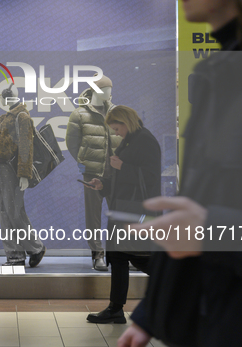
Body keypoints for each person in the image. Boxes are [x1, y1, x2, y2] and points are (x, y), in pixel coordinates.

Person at [118, 0, 242, 346]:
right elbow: (197, 208)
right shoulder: (218, 76)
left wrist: (211, 229)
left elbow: (205, 226)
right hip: (219, 320)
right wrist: (150, 317)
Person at [84, 106, 161, 324]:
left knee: (142, 257)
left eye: (117, 129)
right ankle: (115, 309)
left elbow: (151, 178)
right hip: (124, 208)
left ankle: (179, 292)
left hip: (138, 211)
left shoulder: (145, 140)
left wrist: (122, 166)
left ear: (126, 122)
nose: (116, 133)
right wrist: (103, 184)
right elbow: (122, 178)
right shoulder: (130, 141)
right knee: (118, 257)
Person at [0, 84, 46, 267]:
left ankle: (36, 248)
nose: (0, 100)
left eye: (1, 97)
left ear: (7, 96)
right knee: (5, 212)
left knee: (14, 212)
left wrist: (24, 174)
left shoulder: (22, 117)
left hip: (12, 171)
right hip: (0, 169)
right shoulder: (5, 117)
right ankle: (14, 255)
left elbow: (26, 148)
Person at [66, 75, 122, 271]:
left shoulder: (117, 113)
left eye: (110, 88)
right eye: (106, 89)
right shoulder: (80, 114)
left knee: (118, 215)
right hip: (92, 173)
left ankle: (120, 255)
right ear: (97, 90)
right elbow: (72, 144)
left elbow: (124, 139)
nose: (110, 92)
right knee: (93, 216)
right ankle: (97, 254)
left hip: (116, 173)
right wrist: (84, 163)